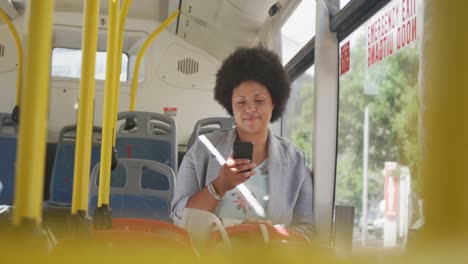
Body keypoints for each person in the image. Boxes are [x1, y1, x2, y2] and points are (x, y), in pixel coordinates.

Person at [171, 46, 314, 238]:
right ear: (230, 105)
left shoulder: (296, 161)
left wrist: (268, 234)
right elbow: (179, 217)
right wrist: (219, 186)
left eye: (259, 101)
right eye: (241, 102)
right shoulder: (202, 150)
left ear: (274, 102)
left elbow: (307, 231)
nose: (250, 109)